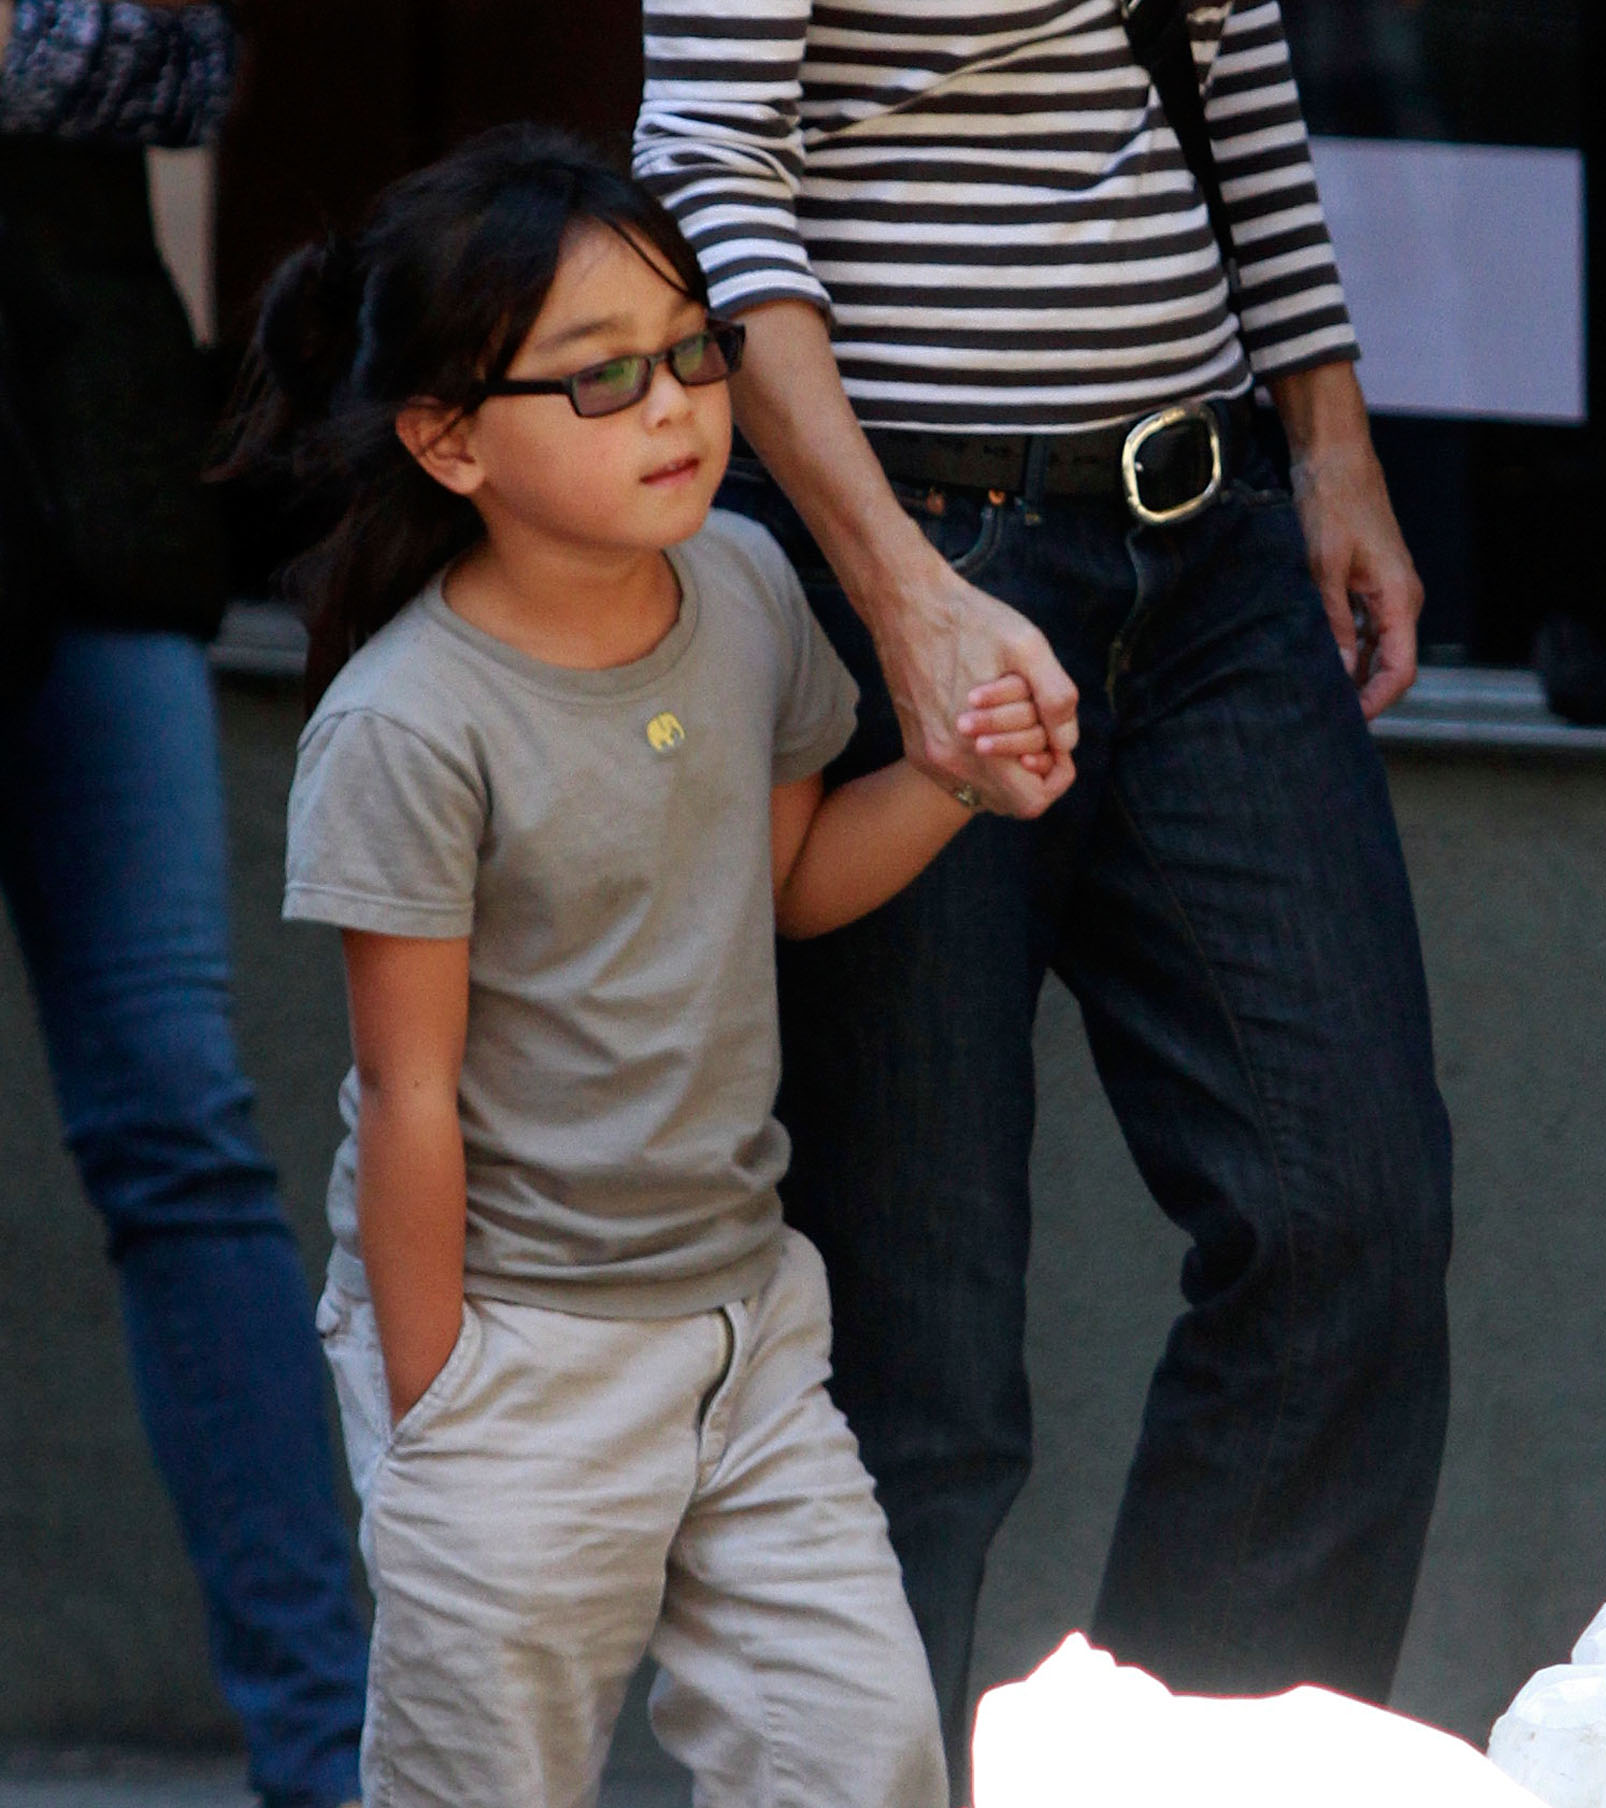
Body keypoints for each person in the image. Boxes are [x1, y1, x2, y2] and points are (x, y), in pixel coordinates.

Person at [632, 0, 1454, 1799]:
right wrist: (890, 590)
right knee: (922, 1381)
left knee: (1345, 1232)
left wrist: (1324, 416)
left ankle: (1172, 1773)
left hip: (1204, 513)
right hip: (905, 567)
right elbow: (707, 153)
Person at [230, 125, 1052, 1808]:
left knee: (863, 1755)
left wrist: (963, 776)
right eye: (602, 379)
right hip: (516, 1365)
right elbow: (407, 1093)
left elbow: (788, 889)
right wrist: (439, 1408)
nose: (675, 405)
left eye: (694, 351)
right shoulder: (407, 724)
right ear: (450, 440)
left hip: (749, 1335)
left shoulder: (747, 585)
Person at [0, 0, 368, 1803]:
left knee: (181, 1126)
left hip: (67, 470)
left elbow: (171, 82)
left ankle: (342, 1753)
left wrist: (78, 18)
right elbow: (66, 40)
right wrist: (24, 5)